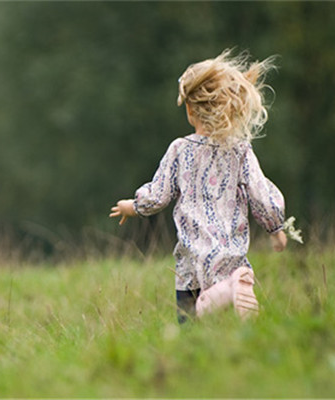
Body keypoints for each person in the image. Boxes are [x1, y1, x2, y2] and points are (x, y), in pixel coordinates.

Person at [109, 49, 287, 324]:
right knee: (231, 329)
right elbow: (259, 191)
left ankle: (225, 294)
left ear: (191, 110)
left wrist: (132, 206)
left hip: (194, 258)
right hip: (232, 257)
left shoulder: (180, 150)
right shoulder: (240, 150)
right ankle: (233, 298)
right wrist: (275, 227)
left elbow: (159, 194)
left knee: (190, 325)